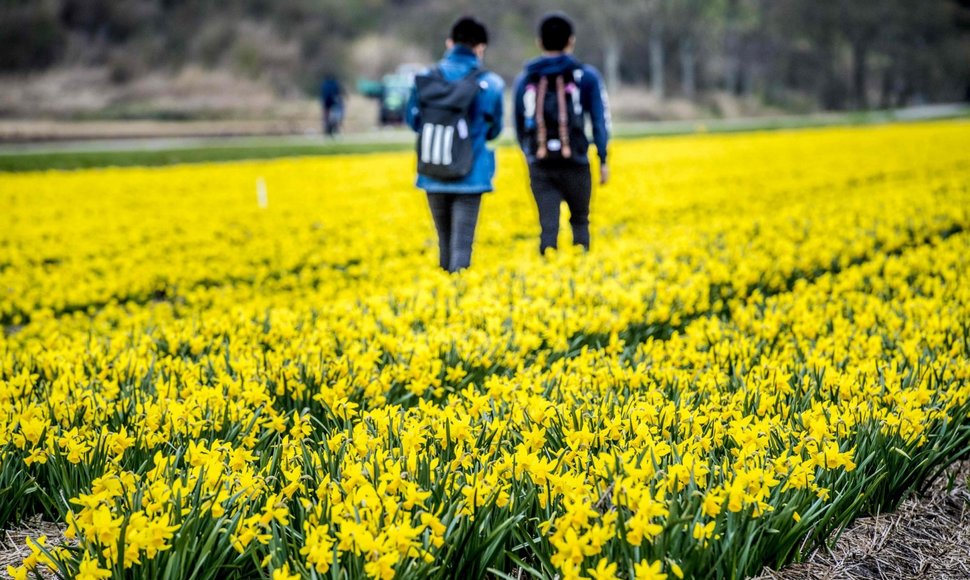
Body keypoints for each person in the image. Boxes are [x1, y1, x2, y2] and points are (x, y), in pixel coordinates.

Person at [406, 16, 505, 273]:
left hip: (434, 169)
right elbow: (494, 130)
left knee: (444, 242)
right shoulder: (490, 83)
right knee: (462, 245)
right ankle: (458, 301)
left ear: (449, 43)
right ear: (480, 47)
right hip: (472, 174)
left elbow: (414, 120)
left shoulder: (426, 78)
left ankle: (444, 296)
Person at [514, 12, 611, 254]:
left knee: (548, 228)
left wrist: (529, 154)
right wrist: (602, 158)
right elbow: (599, 120)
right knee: (580, 221)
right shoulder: (586, 76)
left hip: (541, 161)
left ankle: (548, 279)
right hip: (576, 160)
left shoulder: (526, 78)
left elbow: (517, 122)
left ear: (539, 42)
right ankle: (580, 278)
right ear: (571, 40)